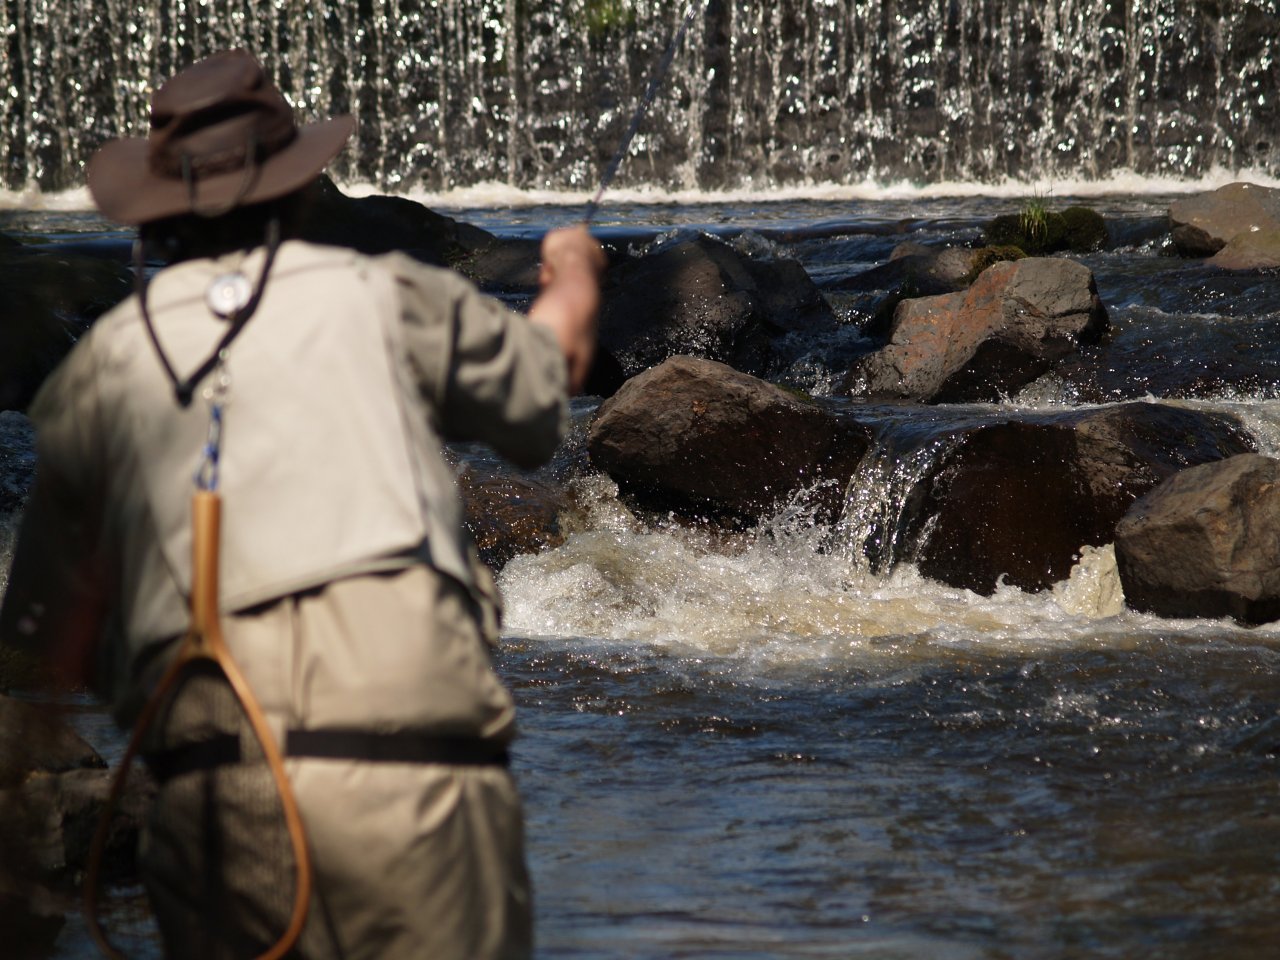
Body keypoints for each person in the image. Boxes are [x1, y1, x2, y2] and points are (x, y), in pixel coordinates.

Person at [0, 49, 604, 959]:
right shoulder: (383, 295)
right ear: (297, 192)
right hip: (424, 780)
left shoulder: (104, 366)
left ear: (155, 214)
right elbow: (541, 390)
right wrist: (571, 276)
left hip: (218, 795)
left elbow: (40, 639)